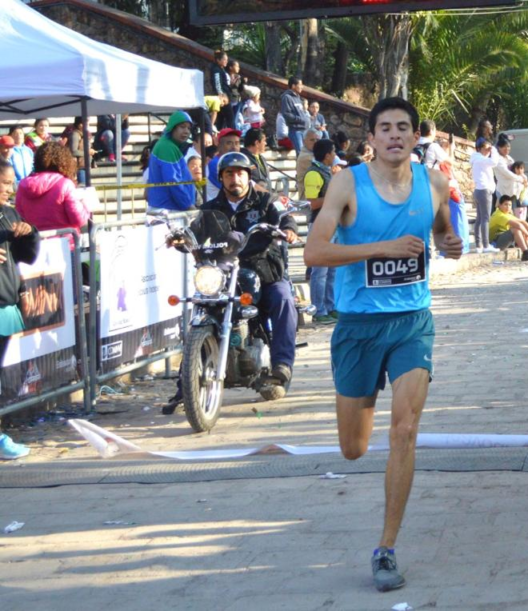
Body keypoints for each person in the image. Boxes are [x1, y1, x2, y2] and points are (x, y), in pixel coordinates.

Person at [303, 96, 463, 593]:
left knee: (404, 430)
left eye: (403, 127)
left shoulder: (434, 183)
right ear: (371, 138)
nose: (395, 135)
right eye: (386, 128)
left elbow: (442, 231)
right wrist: (381, 249)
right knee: (353, 448)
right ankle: (358, 420)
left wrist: (449, 243)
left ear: (416, 136)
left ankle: (386, 548)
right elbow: (314, 252)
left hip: (412, 322)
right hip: (358, 326)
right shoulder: (347, 183)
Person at [163, 152, 300, 413]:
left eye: (240, 173)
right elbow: (195, 231)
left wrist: (289, 229)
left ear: (248, 176)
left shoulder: (265, 201)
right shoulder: (211, 209)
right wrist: (182, 238)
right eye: (229, 174)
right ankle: (186, 385)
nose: (235, 178)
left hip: (263, 270)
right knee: (201, 308)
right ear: (221, 178)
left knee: (283, 299)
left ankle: (283, 365)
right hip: (225, 272)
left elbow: (285, 217)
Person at [0, 161, 39, 460]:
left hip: (5, 305)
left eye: (12, 182)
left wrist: (29, 233)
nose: (10, 189)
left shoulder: (10, 213)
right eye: (4, 182)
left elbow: (26, 257)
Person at [14, 143, 91, 243]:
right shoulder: (65, 184)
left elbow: (19, 216)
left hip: (34, 243)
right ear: (65, 162)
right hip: (64, 243)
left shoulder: (23, 185)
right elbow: (79, 219)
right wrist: (86, 205)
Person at [305, 139, 338, 324]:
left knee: (332, 270)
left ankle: (331, 307)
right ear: (327, 155)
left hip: (333, 224)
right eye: (333, 152)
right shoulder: (313, 174)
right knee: (320, 272)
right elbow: (311, 203)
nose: (335, 156)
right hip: (320, 226)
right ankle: (319, 311)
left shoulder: (327, 171)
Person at [146, 111, 197, 212]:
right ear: (172, 128)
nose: (186, 131)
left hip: (167, 210)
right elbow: (173, 181)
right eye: (182, 127)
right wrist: (188, 206)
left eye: (188, 128)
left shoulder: (168, 145)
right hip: (168, 212)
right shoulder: (167, 147)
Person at [489, 195, 528, 261]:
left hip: (501, 239)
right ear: (499, 205)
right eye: (505, 204)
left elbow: (522, 222)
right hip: (494, 243)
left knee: (521, 229)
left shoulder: (506, 214)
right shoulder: (499, 215)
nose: (508, 207)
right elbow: (518, 225)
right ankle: (526, 253)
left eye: (510, 205)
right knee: (516, 230)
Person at [470, 138, 499, 253]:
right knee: (485, 219)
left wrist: (490, 150)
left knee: (479, 219)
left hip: (479, 190)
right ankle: (486, 246)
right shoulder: (481, 159)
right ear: (479, 148)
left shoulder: (477, 159)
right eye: (486, 148)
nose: (488, 151)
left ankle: (479, 245)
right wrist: (494, 150)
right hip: (484, 191)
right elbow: (494, 162)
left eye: (489, 149)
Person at [206, 128, 242, 201]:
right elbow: (235, 190)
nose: (234, 147)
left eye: (237, 143)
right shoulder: (216, 163)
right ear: (219, 146)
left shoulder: (236, 162)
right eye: (229, 143)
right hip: (218, 206)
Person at [492, 136, 525, 211]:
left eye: (508, 147)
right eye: (504, 147)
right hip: (503, 189)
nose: (507, 149)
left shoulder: (509, 158)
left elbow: (517, 169)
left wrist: (524, 177)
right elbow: (507, 173)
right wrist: (520, 179)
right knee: (504, 211)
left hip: (513, 190)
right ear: (499, 147)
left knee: (513, 211)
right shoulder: (498, 159)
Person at [280, 77, 309, 157]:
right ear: (293, 86)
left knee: (306, 154)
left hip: (304, 130)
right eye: (300, 84)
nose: (302, 87)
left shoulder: (298, 97)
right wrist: (300, 119)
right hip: (296, 131)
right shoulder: (287, 98)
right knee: (301, 154)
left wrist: (306, 119)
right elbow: (287, 114)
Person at [295, 130, 322, 199]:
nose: (315, 142)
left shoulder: (314, 154)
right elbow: (324, 172)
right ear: (304, 142)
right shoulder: (306, 157)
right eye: (312, 140)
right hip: (308, 200)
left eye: (317, 140)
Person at [66, 117, 87, 185]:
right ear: (79, 124)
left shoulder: (82, 134)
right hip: (79, 166)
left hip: (83, 165)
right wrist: (87, 153)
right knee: (82, 186)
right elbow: (73, 151)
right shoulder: (75, 135)